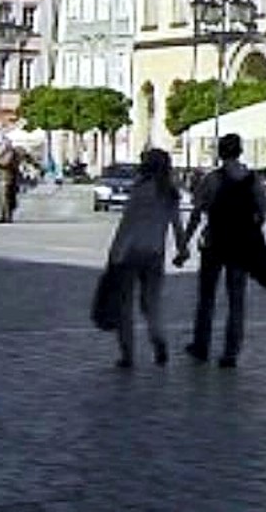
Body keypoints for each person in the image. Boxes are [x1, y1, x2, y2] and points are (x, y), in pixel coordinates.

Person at [180, 132, 266, 367]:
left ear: (221, 152)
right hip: (241, 245)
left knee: (207, 297)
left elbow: (196, 213)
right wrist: (250, 230)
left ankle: (201, 345)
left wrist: (184, 243)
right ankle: (230, 352)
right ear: (240, 151)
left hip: (215, 242)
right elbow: (263, 212)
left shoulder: (212, 179)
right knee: (236, 299)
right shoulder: (253, 180)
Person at [104, 148, 189, 369]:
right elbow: (177, 225)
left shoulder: (140, 190)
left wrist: (115, 253)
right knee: (152, 303)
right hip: (154, 252)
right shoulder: (169, 192)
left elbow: (127, 225)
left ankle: (128, 354)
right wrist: (182, 250)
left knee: (125, 306)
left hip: (130, 252)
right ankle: (158, 339)